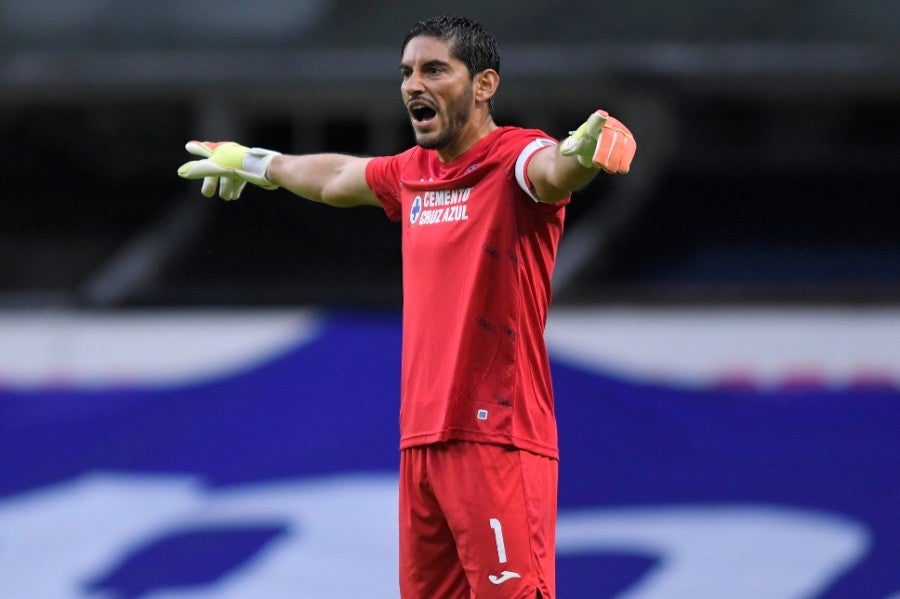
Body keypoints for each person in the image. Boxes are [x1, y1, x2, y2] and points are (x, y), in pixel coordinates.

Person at [178, 15, 635, 599]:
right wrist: (256, 163)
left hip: (496, 437)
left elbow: (553, 172)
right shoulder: (414, 173)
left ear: (484, 84)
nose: (413, 85)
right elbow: (339, 176)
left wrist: (585, 154)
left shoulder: (516, 157)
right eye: (407, 72)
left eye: (434, 70)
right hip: (422, 441)